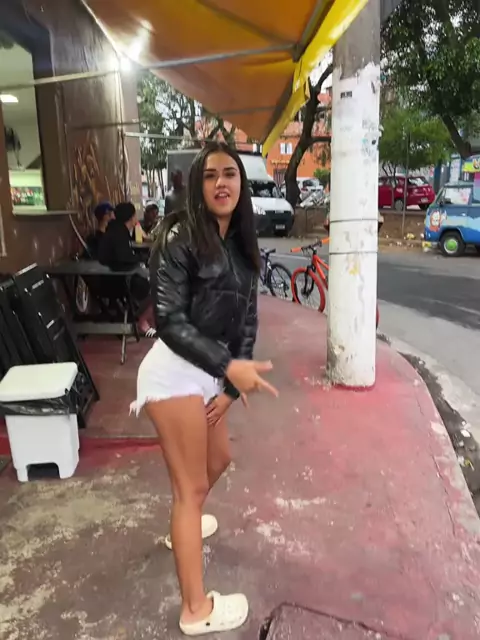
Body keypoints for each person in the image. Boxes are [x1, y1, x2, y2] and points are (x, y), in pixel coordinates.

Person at [130, 142, 278, 636]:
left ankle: (185, 524)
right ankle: (196, 609)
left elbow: (247, 322)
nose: (221, 183)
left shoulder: (242, 245)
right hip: (173, 372)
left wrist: (230, 386)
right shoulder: (179, 236)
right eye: (210, 175)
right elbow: (169, 321)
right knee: (190, 489)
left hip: (208, 374)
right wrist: (227, 367)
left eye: (229, 173)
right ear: (198, 184)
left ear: (241, 183)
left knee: (218, 461)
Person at [98, 202, 155, 336]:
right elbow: (123, 258)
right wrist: (141, 259)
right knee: (158, 286)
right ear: (131, 217)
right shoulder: (118, 233)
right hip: (117, 281)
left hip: (113, 278)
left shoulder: (117, 230)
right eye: (135, 215)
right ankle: (142, 320)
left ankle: (138, 317)